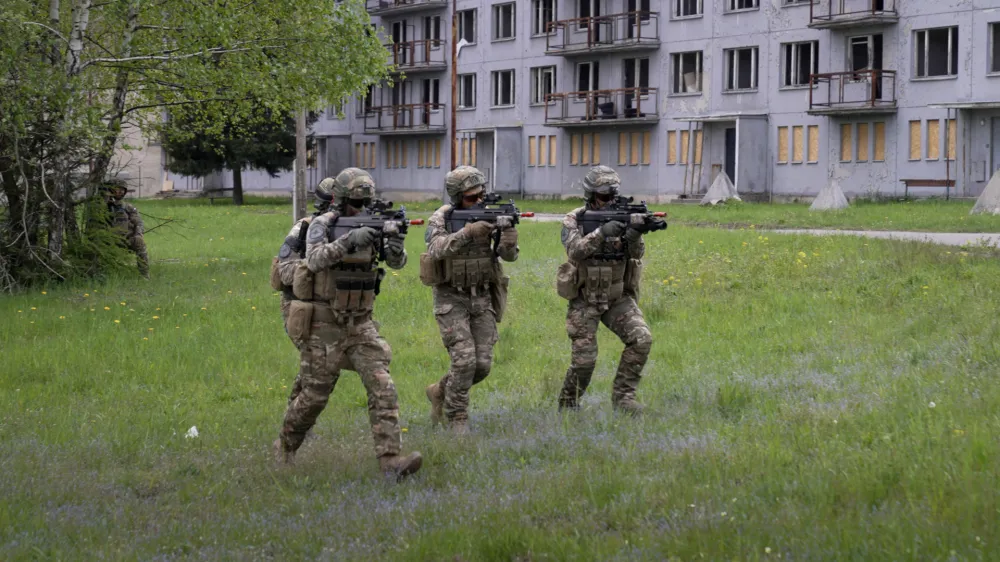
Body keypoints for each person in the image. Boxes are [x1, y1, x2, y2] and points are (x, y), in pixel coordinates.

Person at [273, 167, 422, 479]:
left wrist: (395, 248)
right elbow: (313, 260)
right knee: (315, 395)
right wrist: (348, 241)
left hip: (360, 324)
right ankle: (286, 446)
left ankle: (390, 462)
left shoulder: (372, 223)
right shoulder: (320, 225)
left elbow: (397, 262)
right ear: (340, 201)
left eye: (365, 203)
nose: (361, 210)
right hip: (323, 323)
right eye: (355, 204)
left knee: (383, 386)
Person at [421, 166, 518, 433]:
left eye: (480, 195)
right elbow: (436, 249)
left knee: (482, 365)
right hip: (451, 298)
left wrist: (508, 242)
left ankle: (440, 390)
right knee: (464, 361)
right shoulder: (442, 217)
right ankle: (457, 419)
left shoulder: (492, 213)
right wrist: (468, 232)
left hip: (482, 297)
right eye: (470, 198)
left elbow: (508, 257)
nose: (478, 201)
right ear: (456, 197)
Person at [555, 165, 652, 415]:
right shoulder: (574, 219)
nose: (609, 201)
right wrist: (601, 232)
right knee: (584, 362)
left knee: (641, 339)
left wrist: (634, 235)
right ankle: (568, 405)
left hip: (617, 296)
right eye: (604, 196)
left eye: (613, 195)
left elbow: (637, 254)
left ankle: (624, 399)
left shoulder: (623, 213)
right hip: (585, 298)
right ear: (591, 196)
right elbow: (575, 250)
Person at [270, 177, 334, 410]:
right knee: (319, 365)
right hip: (299, 307)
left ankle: (296, 417)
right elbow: (285, 271)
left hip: (331, 308)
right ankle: (295, 422)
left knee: (323, 367)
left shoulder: (350, 229)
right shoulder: (305, 228)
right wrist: (319, 261)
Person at [100, 179, 149, 279]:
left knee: (140, 243)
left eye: (122, 190)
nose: (120, 192)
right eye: (117, 189)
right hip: (109, 240)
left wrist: (138, 234)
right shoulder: (103, 207)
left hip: (127, 239)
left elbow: (138, 222)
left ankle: (144, 275)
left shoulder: (128, 207)